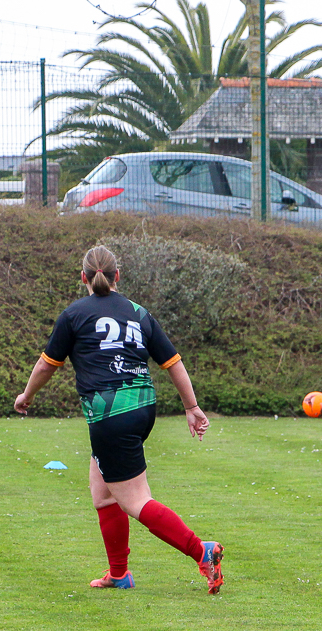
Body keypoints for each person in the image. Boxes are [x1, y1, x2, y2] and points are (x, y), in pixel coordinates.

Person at [14, 245, 224, 594]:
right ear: (118, 277)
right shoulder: (139, 313)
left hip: (111, 416)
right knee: (104, 493)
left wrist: (26, 396)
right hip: (143, 408)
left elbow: (46, 364)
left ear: (83, 277)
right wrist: (191, 407)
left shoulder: (74, 315)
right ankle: (119, 573)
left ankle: (201, 550)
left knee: (135, 500)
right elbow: (172, 362)